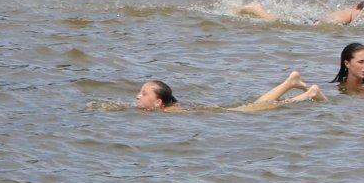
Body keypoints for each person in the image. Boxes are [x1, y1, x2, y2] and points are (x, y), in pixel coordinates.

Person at [137, 69, 324, 112]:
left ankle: (306, 93)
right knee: (262, 105)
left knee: (266, 106)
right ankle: (291, 83)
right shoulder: (170, 108)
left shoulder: (170, 112)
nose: (138, 95)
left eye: (144, 93)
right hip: (222, 111)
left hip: (226, 114)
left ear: (158, 102)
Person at [235, 0, 364, 25]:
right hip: (318, 22)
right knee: (278, 22)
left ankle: (256, 8)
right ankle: (257, 9)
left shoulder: (346, 10)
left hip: (316, 18)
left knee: (284, 19)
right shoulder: (359, 12)